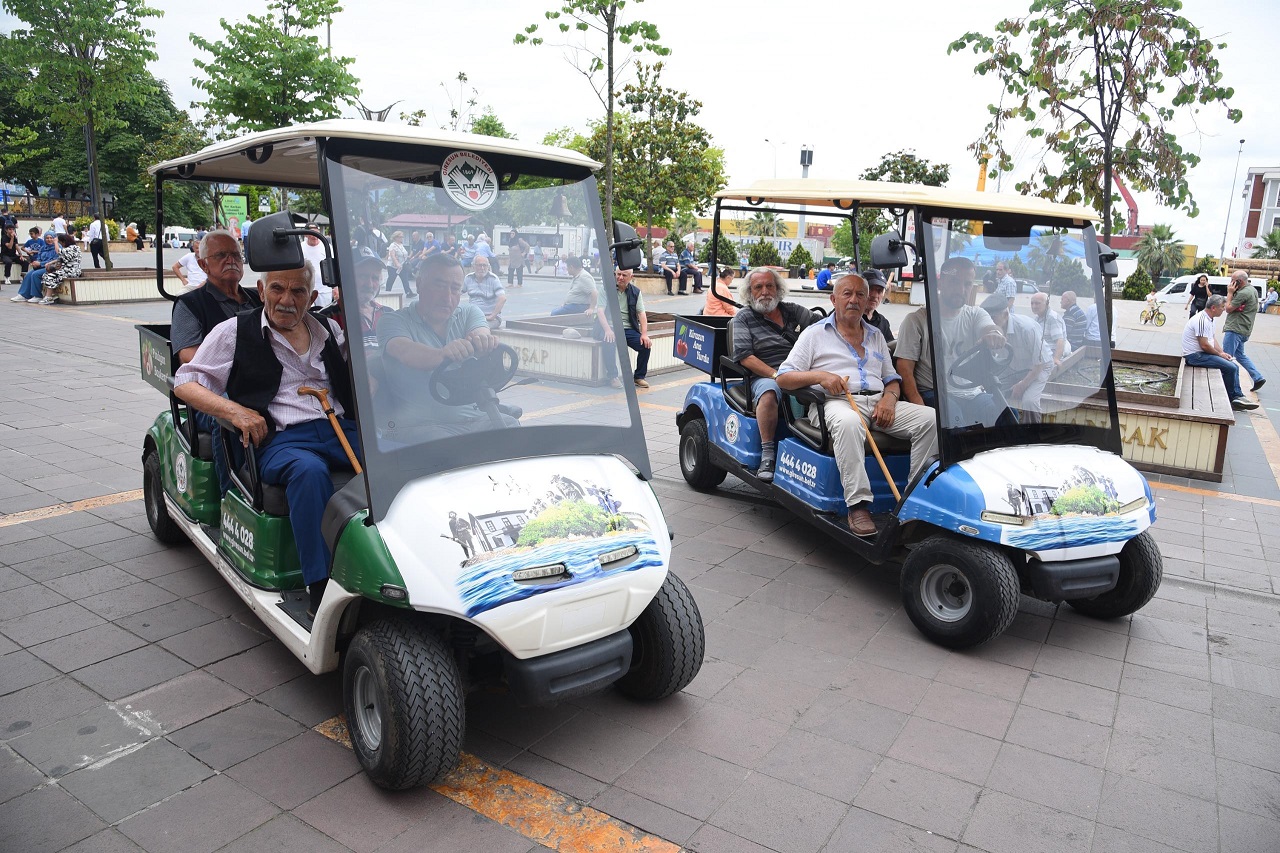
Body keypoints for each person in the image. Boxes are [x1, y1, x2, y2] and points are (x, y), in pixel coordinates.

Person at [174, 263, 359, 617]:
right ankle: (321, 588)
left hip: (337, 428)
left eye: (298, 291)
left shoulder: (329, 330)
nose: (287, 300)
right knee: (308, 473)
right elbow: (185, 382)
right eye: (277, 289)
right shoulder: (233, 332)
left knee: (391, 461)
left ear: (313, 297)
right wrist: (233, 411)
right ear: (260, 292)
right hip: (282, 439)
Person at [778, 274, 939, 536]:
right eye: (847, 294)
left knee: (930, 419)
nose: (854, 300)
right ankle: (858, 505)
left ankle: (912, 500)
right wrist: (821, 376)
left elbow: (892, 380)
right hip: (835, 402)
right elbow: (783, 377)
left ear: (867, 302)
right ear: (833, 299)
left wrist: (889, 398)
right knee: (850, 422)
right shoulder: (814, 334)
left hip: (878, 402)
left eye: (860, 295)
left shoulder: (876, 335)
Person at [378, 253, 516, 442]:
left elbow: (480, 332)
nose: (447, 297)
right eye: (439, 286)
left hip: (476, 418)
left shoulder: (469, 312)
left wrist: (483, 342)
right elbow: (405, 351)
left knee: (512, 431)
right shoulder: (393, 321)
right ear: (419, 285)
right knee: (451, 449)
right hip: (422, 425)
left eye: (455, 289)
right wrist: (443, 354)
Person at [729, 267, 817, 481]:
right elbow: (745, 357)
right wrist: (777, 375)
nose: (765, 291)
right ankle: (768, 453)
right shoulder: (743, 319)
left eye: (770, 286)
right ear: (750, 293)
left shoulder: (793, 311)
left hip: (800, 370)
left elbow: (823, 327)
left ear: (778, 289)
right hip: (764, 375)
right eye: (758, 287)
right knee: (769, 392)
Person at [895, 257, 1002, 409]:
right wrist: (919, 405)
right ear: (940, 283)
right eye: (954, 282)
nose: (961, 290)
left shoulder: (976, 314)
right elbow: (904, 368)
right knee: (953, 416)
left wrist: (995, 335)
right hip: (933, 392)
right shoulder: (916, 321)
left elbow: (990, 328)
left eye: (967, 284)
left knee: (1004, 414)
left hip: (971, 392)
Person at [979, 292, 1052, 415]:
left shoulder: (1027, 328)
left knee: (1029, 402)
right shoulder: (987, 329)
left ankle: (1032, 432)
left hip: (1038, 367)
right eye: (987, 318)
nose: (989, 323)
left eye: (993, 318)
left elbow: (1039, 365)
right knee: (991, 395)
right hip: (1012, 368)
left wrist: (1022, 385)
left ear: (1006, 315)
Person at [1183, 295, 1257, 411]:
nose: (1224, 309)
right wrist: (1219, 355)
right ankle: (1232, 398)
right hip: (1195, 356)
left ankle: (1238, 396)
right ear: (1213, 308)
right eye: (1222, 307)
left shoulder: (1210, 318)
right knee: (1230, 368)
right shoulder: (1201, 320)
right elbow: (1204, 345)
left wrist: (1222, 352)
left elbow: (1212, 339)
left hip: (1202, 353)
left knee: (1234, 365)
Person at [605, 268, 651, 389]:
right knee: (609, 341)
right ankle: (612, 377)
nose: (620, 277)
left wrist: (644, 334)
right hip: (610, 326)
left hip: (627, 328)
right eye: (618, 274)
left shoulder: (636, 292)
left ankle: (639, 377)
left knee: (645, 345)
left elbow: (641, 313)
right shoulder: (607, 289)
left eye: (624, 275)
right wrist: (607, 330)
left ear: (631, 277)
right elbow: (600, 311)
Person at [1224, 271, 1266, 392]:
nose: (1230, 283)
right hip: (1244, 329)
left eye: (1232, 280)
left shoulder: (1243, 293)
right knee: (1240, 355)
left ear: (1239, 281)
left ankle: (1233, 389)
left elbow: (1228, 308)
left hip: (1235, 328)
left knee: (1227, 358)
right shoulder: (1252, 290)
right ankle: (1257, 377)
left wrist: (1230, 292)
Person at [12, 232, 59, 303]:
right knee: (28, 274)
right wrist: (35, 263)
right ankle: (23, 295)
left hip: (50, 267)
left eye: (51, 238)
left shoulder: (57, 247)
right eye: (47, 238)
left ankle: (37, 296)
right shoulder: (43, 247)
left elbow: (55, 259)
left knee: (36, 274)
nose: (49, 240)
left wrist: (40, 264)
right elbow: (39, 257)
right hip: (40, 266)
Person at [463, 255, 506, 329]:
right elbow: (457, 293)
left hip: (490, 318)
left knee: (478, 328)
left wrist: (492, 316)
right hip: (474, 316)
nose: (482, 268)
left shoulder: (493, 279)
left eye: (484, 265)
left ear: (488, 267)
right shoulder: (468, 278)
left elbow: (502, 298)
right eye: (479, 265)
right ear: (473, 266)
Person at [38, 233, 82, 304]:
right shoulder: (71, 248)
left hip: (71, 271)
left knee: (50, 276)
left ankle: (49, 297)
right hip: (66, 270)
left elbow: (58, 252)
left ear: (64, 242)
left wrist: (55, 242)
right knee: (46, 275)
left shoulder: (72, 249)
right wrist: (50, 263)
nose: (60, 244)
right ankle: (52, 294)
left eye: (60, 243)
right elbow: (61, 257)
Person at [1029, 291, 1069, 366]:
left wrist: (1056, 359)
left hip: (1050, 353)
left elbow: (1060, 340)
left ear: (1047, 304)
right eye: (1032, 303)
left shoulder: (1052, 318)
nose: (1034, 306)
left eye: (1037, 303)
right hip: (1042, 351)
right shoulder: (1038, 317)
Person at [861, 269, 894, 343]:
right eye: (870, 289)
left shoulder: (882, 322)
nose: (875, 295)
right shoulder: (845, 317)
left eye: (879, 291)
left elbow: (889, 347)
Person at [300, 233, 332, 307]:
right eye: (312, 234)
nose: (315, 236)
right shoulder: (301, 247)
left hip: (324, 290)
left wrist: (336, 288)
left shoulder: (326, 246)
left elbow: (334, 265)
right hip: (307, 290)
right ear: (306, 235)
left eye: (317, 234)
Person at [384, 230, 410, 295]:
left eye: (402, 237)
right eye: (400, 237)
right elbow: (393, 255)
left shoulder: (401, 245)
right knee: (391, 278)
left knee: (405, 279)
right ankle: (387, 291)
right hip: (393, 266)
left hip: (402, 265)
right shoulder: (393, 245)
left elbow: (404, 254)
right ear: (396, 237)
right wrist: (397, 263)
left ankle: (408, 292)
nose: (402, 238)